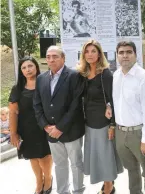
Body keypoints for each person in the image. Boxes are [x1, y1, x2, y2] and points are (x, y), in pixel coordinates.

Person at [33, 46, 85, 194]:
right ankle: (63, 191)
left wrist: (60, 127)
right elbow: (37, 104)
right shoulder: (41, 79)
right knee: (59, 165)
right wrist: (45, 126)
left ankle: (78, 191)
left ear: (63, 58)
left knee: (76, 164)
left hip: (71, 131)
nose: (51, 59)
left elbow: (76, 105)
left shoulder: (74, 76)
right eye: (48, 57)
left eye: (55, 56)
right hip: (50, 132)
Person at [111, 41, 145, 194]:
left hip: (139, 133)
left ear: (135, 55)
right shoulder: (116, 75)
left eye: (129, 52)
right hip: (120, 132)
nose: (125, 55)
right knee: (131, 170)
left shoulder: (144, 78)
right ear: (117, 55)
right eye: (121, 52)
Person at [77, 39, 123, 194]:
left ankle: (109, 187)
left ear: (99, 54)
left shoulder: (105, 74)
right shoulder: (82, 74)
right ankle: (106, 183)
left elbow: (112, 99)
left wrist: (112, 124)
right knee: (97, 155)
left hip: (103, 123)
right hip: (89, 122)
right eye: (87, 51)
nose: (90, 54)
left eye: (93, 51)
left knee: (105, 156)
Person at [9, 56, 53, 194]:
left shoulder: (47, 84)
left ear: (36, 67)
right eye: (24, 68)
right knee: (33, 156)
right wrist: (13, 133)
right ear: (21, 71)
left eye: (30, 66)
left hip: (44, 127)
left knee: (45, 156)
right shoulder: (18, 89)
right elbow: (13, 112)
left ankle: (48, 179)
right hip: (27, 129)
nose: (27, 70)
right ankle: (39, 181)